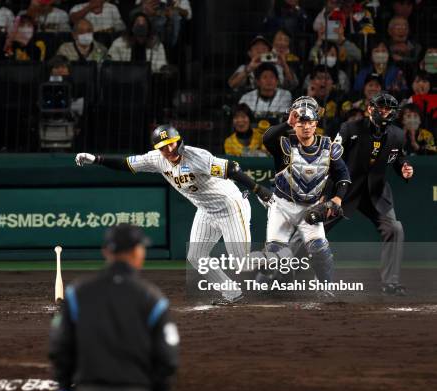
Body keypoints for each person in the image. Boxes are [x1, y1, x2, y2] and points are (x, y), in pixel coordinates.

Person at [75, 124, 273, 304]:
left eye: (171, 144)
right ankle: (232, 293)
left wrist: (259, 190)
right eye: (162, 147)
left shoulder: (197, 156)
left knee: (241, 262)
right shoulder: (157, 160)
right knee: (196, 256)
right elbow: (127, 164)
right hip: (206, 210)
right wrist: (97, 159)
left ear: (178, 141)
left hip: (230, 206)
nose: (168, 150)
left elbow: (232, 169)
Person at [49, 223, 178, 391]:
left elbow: (60, 345)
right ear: (137, 252)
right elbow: (167, 356)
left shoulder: (78, 293)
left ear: (106, 252)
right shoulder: (152, 298)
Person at [260, 98, 351, 289]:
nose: (306, 127)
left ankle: (325, 288)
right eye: (302, 122)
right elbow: (267, 138)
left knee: (319, 249)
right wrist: (286, 124)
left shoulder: (328, 147)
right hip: (282, 205)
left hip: (311, 205)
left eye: (310, 122)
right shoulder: (284, 145)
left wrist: (338, 197)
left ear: (316, 124)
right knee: (275, 252)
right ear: (295, 124)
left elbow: (343, 175)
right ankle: (270, 282)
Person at [329, 93, 414, 295]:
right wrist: (329, 193)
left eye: (389, 109)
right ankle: (279, 274)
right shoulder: (349, 129)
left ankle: (390, 282)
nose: (384, 112)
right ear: (370, 109)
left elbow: (399, 158)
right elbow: (332, 160)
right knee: (312, 228)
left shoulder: (398, 135)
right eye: (381, 107)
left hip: (375, 192)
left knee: (394, 228)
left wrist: (404, 168)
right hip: (345, 189)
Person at [228, 35, 297, 92]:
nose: (260, 51)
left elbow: (293, 85)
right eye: (256, 49)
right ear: (250, 53)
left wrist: (284, 65)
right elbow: (232, 84)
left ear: (269, 52)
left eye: (264, 49)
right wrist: (248, 70)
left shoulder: (279, 67)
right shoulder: (244, 68)